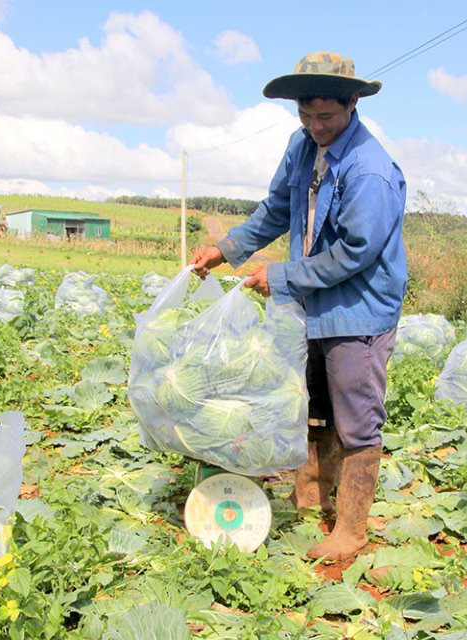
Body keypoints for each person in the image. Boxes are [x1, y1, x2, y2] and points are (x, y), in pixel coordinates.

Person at [190, 51, 407, 562]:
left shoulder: (370, 170)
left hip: (359, 310)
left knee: (356, 420)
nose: (315, 126)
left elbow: (357, 251)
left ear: (352, 104)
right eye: (305, 116)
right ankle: (312, 493)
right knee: (314, 405)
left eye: (325, 117)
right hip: (311, 304)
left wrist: (282, 276)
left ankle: (351, 528)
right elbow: (278, 210)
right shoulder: (302, 146)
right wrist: (228, 248)